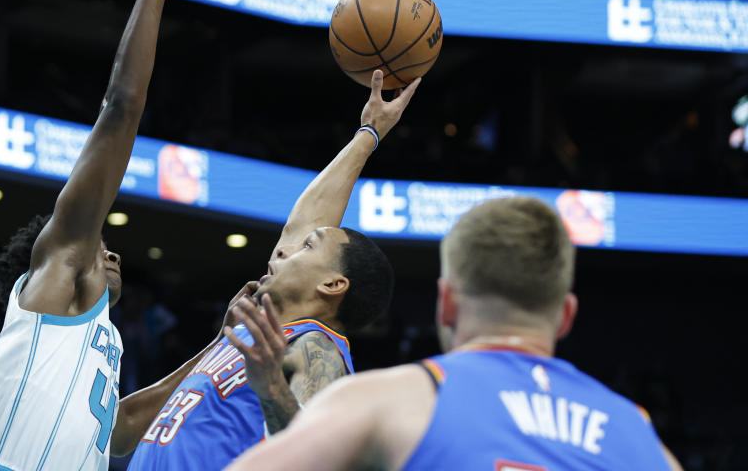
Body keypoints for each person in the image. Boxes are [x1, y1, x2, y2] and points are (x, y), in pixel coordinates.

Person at [0, 0, 211, 471]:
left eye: (103, 247)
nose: (112, 251)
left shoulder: (95, 340)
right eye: (99, 244)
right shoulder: (54, 278)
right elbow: (121, 107)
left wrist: (229, 344)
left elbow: (126, 422)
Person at [227, 196, 685, 471]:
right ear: (566, 316)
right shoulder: (637, 433)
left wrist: (269, 390)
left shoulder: (390, 399)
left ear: (446, 304)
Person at [124, 69, 420, 470]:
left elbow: (317, 459)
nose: (283, 254)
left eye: (307, 248)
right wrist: (369, 132)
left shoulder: (317, 347)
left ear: (333, 284)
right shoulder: (255, 336)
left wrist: (273, 389)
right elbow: (122, 431)